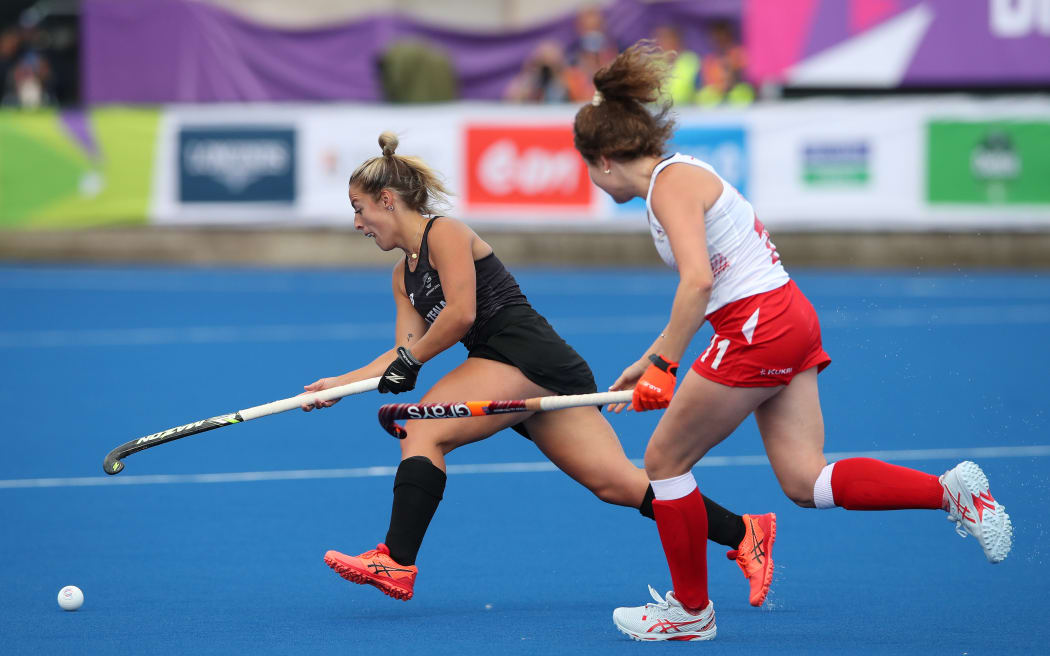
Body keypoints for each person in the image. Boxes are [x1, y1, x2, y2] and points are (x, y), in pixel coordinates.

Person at [571, 42, 1013, 641]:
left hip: (759, 326)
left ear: (601, 162)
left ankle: (690, 612)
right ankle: (951, 493)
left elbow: (699, 281)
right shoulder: (680, 177)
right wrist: (648, 360)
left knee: (663, 462)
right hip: (786, 317)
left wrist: (665, 364)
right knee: (806, 481)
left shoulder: (669, 187)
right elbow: (718, 283)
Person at [300, 131, 777, 606]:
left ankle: (397, 560)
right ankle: (744, 531)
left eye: (359, 208)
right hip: (516, 366)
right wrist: (338, 385)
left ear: (386, 200)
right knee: (616, 483)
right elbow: (403, 349)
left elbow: (460, 314)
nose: (358, 222)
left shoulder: (444, 233)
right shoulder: (402, 275)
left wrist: (412, 360)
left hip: (523, 354)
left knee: (421, 428)